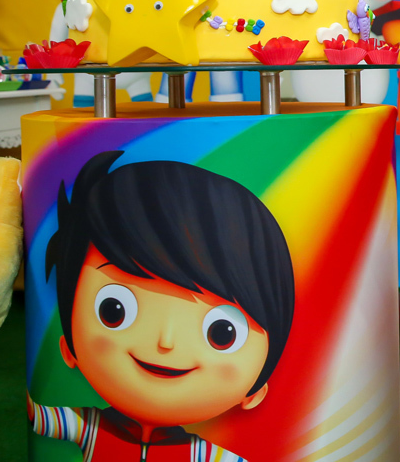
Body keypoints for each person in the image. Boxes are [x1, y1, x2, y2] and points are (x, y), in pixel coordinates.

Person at [29, 151, 296, 461]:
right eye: (114, 311)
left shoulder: (201, 453)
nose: (165, 342)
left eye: (222, 333)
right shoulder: (88, 426)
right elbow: (36, 416)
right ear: (69, 348)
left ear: (255, 391)